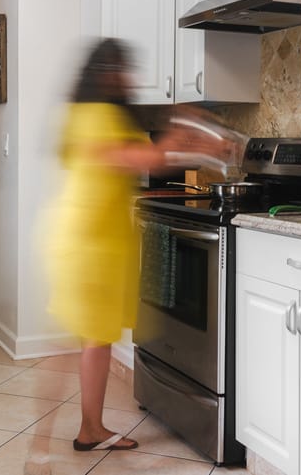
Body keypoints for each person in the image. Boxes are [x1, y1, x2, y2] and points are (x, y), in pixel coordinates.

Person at [41, 38, 232, 453]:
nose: (127, 76)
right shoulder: (96, 115)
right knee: (70, 344)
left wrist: (198, 141)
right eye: (119, 69)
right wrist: (188, 127)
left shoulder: (104, 115)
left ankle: (89, 429)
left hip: (100, 243)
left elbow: (156, 158)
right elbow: (139, 160)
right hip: (86, 244)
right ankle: (38, 450)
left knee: (93, 340)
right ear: (102, 74)